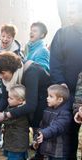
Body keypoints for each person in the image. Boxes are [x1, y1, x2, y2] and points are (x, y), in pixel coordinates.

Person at [50, 0, 82, 159]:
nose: (69, 15)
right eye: (68, 12)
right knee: (69, 133)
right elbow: (55, 62)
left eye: (73, 12)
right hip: (67, 92)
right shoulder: (62, 34)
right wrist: (60, 83)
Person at [0, 51, 50, 129]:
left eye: (3, 73)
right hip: (28, 108)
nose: (1, 77)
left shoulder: (31, 72)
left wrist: (5, 115)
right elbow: (4, 99)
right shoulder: (7, 76)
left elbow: (31, 105)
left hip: (43, 108)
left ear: (11, 69)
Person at [34, 84, 72, 160]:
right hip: (46, 148)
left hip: (58, 152)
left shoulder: (65, 113)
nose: (47, 98)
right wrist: (36, 138)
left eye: (51, 96)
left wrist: (44, 133)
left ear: (60, 99)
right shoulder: (47, 110)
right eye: (48, 96)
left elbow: (57, 127)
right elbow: (41, 126)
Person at [3, 84, 29, 160]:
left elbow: (5, 120)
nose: (8, 99)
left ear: (20, 100)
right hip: (12, 143)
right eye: (8, 97)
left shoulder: (19, 112)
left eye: (11, 98)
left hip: (17, 145)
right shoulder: (12, 107)